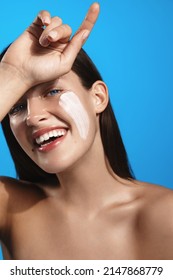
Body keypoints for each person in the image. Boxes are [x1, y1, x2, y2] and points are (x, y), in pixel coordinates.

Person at [0, 2, 173, 260]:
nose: (33, 117)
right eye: (16, 107)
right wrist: (12, 76)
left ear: (98, 98)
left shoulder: (165, 216)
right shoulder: (10, 208)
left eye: (53, 91)